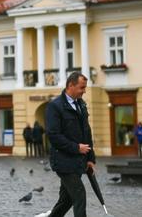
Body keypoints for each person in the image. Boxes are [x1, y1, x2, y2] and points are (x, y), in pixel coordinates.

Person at [45, 72, 95, 217]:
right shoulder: (55, 106)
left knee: (66, 201)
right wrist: (76, 148)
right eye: (82, 87)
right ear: (71, 85)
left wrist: (91, 158)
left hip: (78, 162)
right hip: (63, 161)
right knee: (79, 195)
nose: (84, 91)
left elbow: (87, 132)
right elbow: (53, 136)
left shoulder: (81, 105)